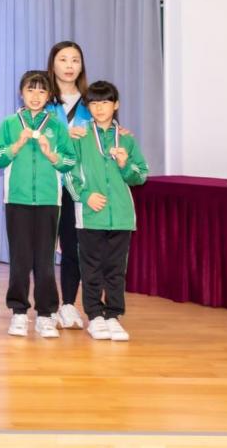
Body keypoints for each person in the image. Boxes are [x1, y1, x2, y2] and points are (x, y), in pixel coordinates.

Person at [0, 70, 77, 339]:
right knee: (19, 259)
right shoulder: (10, 124)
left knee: (44, 260)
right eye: (30, 90)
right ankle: (18, 312)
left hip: (48, 201)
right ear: (21, 93)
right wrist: (16, 145)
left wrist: (51, 154)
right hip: (16, 200)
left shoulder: (56, 126)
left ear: (49, 95)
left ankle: (46, 314)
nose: (36, 96)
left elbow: (69, 161)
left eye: (42, 91)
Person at [65, 81, 148, 342]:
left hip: (121, 216)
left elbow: (140, 175)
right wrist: (85, 196)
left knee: (115, 270)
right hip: (91, 216)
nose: (99, 108)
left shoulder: (126, 138)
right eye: (94, 103)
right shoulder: (80, 137)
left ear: (116, 105)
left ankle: (113, 316)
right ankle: (95, 316)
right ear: (87, 107)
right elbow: (68, 173)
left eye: (105, 102)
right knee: (91, 269)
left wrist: (125, 164)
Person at [45, 41, 93, 330]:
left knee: (73, 246)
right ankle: (46, 306)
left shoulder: (92, 102)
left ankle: (68, 304)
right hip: (47, 184)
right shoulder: (41, 99)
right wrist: (64, 135)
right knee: (42, 248)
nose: (69, 65)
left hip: (78, 186)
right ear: (53, 64)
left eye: (75, 60)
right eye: (63, 59)